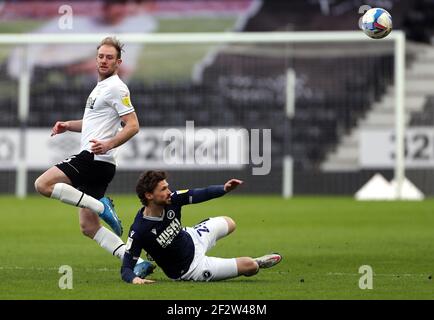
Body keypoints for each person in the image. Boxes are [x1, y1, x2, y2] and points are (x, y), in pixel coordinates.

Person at [34, 36, 154, 278]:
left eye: (109, 57)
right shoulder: (101, 87)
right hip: (100, 163)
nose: (103, 60)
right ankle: (136, 262)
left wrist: (109, 143)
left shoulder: (117, 88)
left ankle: (101, 206)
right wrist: (68, 125)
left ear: (118, 62)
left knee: (43, 184)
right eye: (100, 56)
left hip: (93, 158)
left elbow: (132, 125)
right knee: (89, 227)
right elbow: (94, 124)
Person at [121, 170, 282, 284]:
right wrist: (134, 279)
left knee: (230, 222)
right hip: (191, 268)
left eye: (167, 186)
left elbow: (200, 193)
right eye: (163, 189)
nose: (169, 191)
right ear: (149, 196)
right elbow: (127, 267)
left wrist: (223, 189)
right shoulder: (140, 230)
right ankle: (258, 262)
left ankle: (200, 229)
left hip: (193, 236)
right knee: (250, 266)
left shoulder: (173, 199)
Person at [7, 0, 158, 83]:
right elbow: (31, 41)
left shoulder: (138, 27)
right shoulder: (76, 23)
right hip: (42, 71)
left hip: (82, 81)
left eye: (126, 4)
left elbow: (124, 67)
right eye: (117, 4)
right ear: (106, 6)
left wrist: (79, 68)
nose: (122, 9)